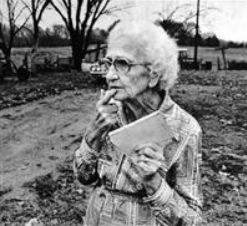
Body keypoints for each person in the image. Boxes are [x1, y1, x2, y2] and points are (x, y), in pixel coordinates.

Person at [74, 20, 203, 226]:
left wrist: (153, 181)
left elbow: (191, 220)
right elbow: (83, 177)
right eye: (108, 63)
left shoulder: (185, 129)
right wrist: (92, 136)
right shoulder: (109, 113)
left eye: (123, 64)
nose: (109, 76)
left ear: (153, 74)